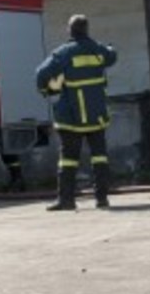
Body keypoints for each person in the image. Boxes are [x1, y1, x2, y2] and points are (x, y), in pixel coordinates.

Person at [35, 15, 118, 211]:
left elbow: (41, 74)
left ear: (69, 31)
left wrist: (47, 90)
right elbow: (112, 56)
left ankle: (66, 200)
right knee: (100, 156)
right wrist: (110, 47)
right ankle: (102, 199)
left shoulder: (63, 53)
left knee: (68, 159)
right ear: (87, 29)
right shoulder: (98, 50)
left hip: (72, 116)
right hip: (96, 114)